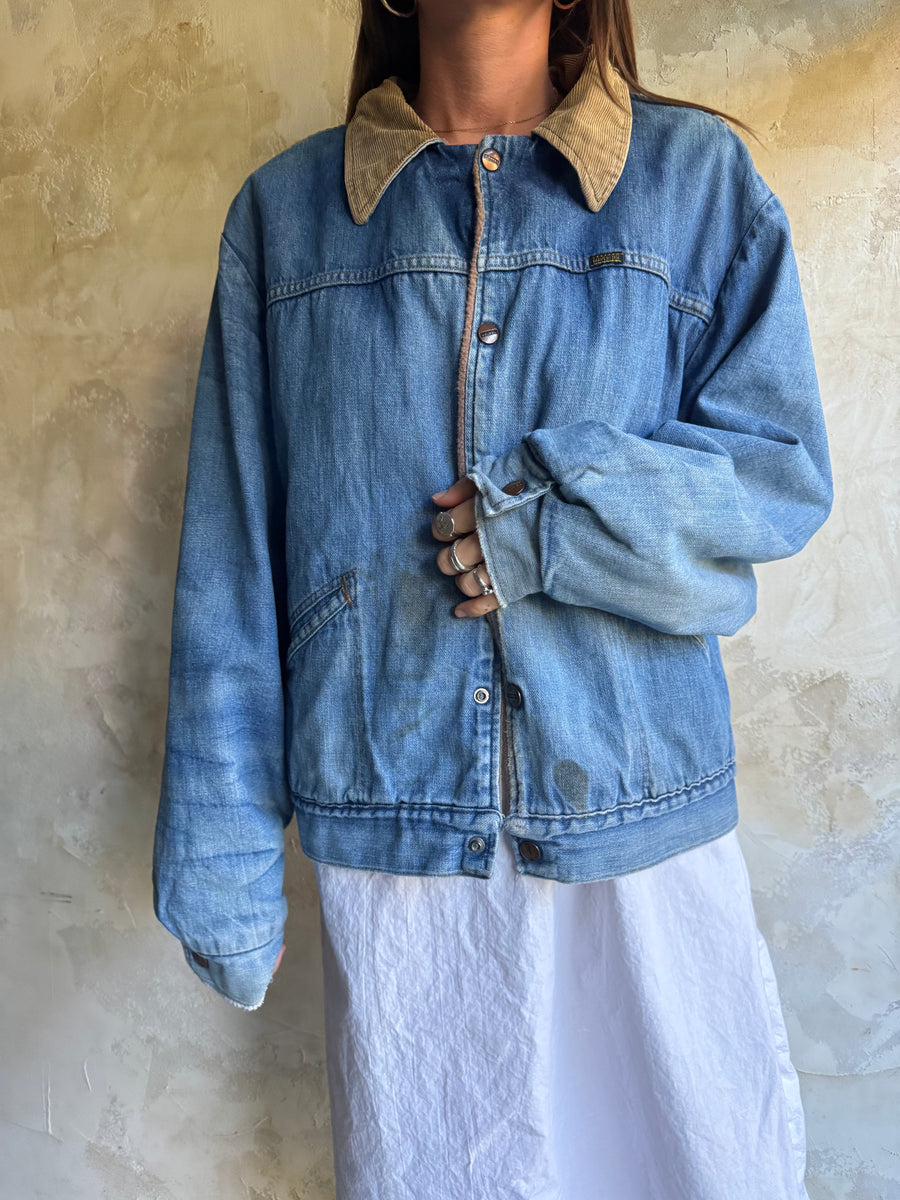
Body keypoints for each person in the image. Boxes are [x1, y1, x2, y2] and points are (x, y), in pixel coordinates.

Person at [152, 0, 834, 1196]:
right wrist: (221, 854)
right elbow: (232, 556)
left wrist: (552, 520)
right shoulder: (287, 218)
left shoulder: (696, 187)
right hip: (401, 847)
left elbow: (775, 476)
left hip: (640, 825)